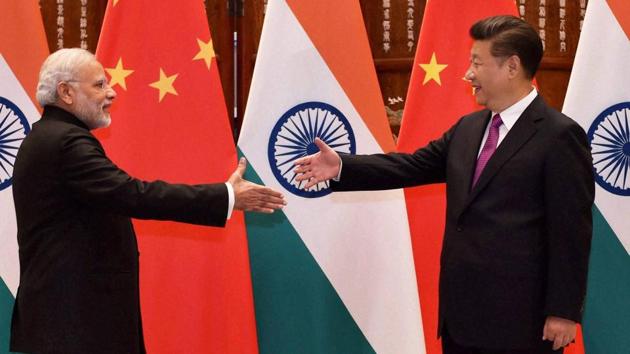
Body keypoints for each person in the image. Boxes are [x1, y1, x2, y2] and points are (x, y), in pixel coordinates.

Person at [295, 15, 593, 354]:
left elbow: (571, 232)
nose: (468, 74)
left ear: (512, 66)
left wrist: (564, 311)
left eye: (477, 63)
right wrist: (342, 166)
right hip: (461, 318)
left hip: (523, 322)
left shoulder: (559, 136)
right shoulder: (468, 128)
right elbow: (410, 166)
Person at [10, 48, 286, 354]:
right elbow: (133, 195)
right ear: (66, 92)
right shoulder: (66, 142)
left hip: (70, 319)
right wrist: (227, 196)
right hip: (74, 321)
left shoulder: (48, 136)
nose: (112, 93)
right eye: (99, 85)